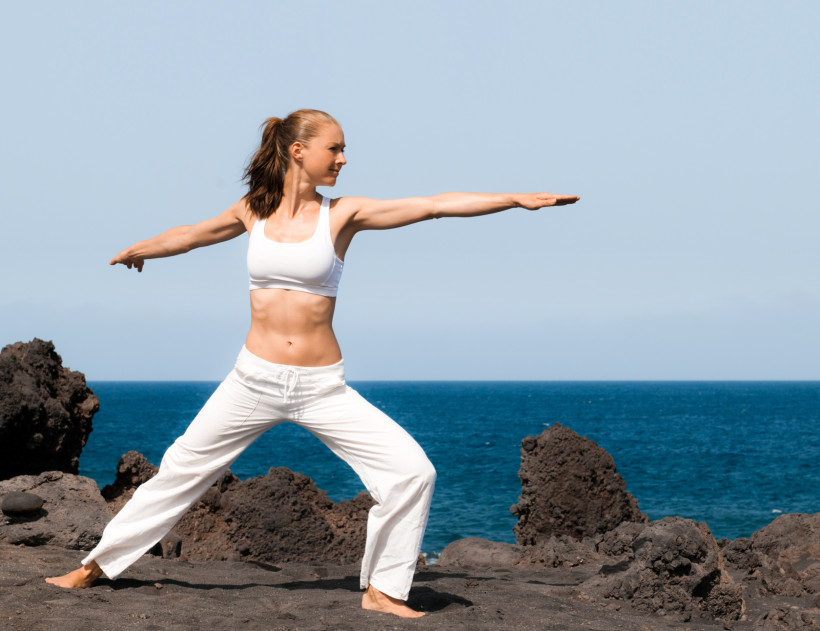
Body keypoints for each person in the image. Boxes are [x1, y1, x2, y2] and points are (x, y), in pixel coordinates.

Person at [46, 108, 579, 617]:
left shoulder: (343, 214)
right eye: (336, 148)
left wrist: (513, 199)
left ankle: (383, 591)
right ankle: (95, 565)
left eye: (345, 149)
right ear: (298, 151)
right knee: (181, 469)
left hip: (322, 385)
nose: (344, 158)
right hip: (252, 379)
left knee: (412, 472)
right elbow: (190, 235)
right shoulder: (252, 209)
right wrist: (143, 248)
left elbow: (433, 204)